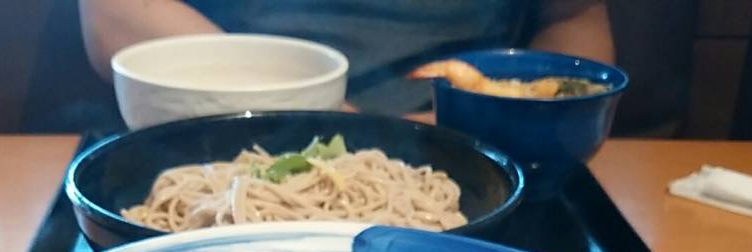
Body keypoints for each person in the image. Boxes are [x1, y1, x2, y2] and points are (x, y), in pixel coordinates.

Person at [79, 0, 614, 115]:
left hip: (464, 135)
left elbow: (573, 15)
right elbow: (115, 9)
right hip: (226, 124)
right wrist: (318, 113)